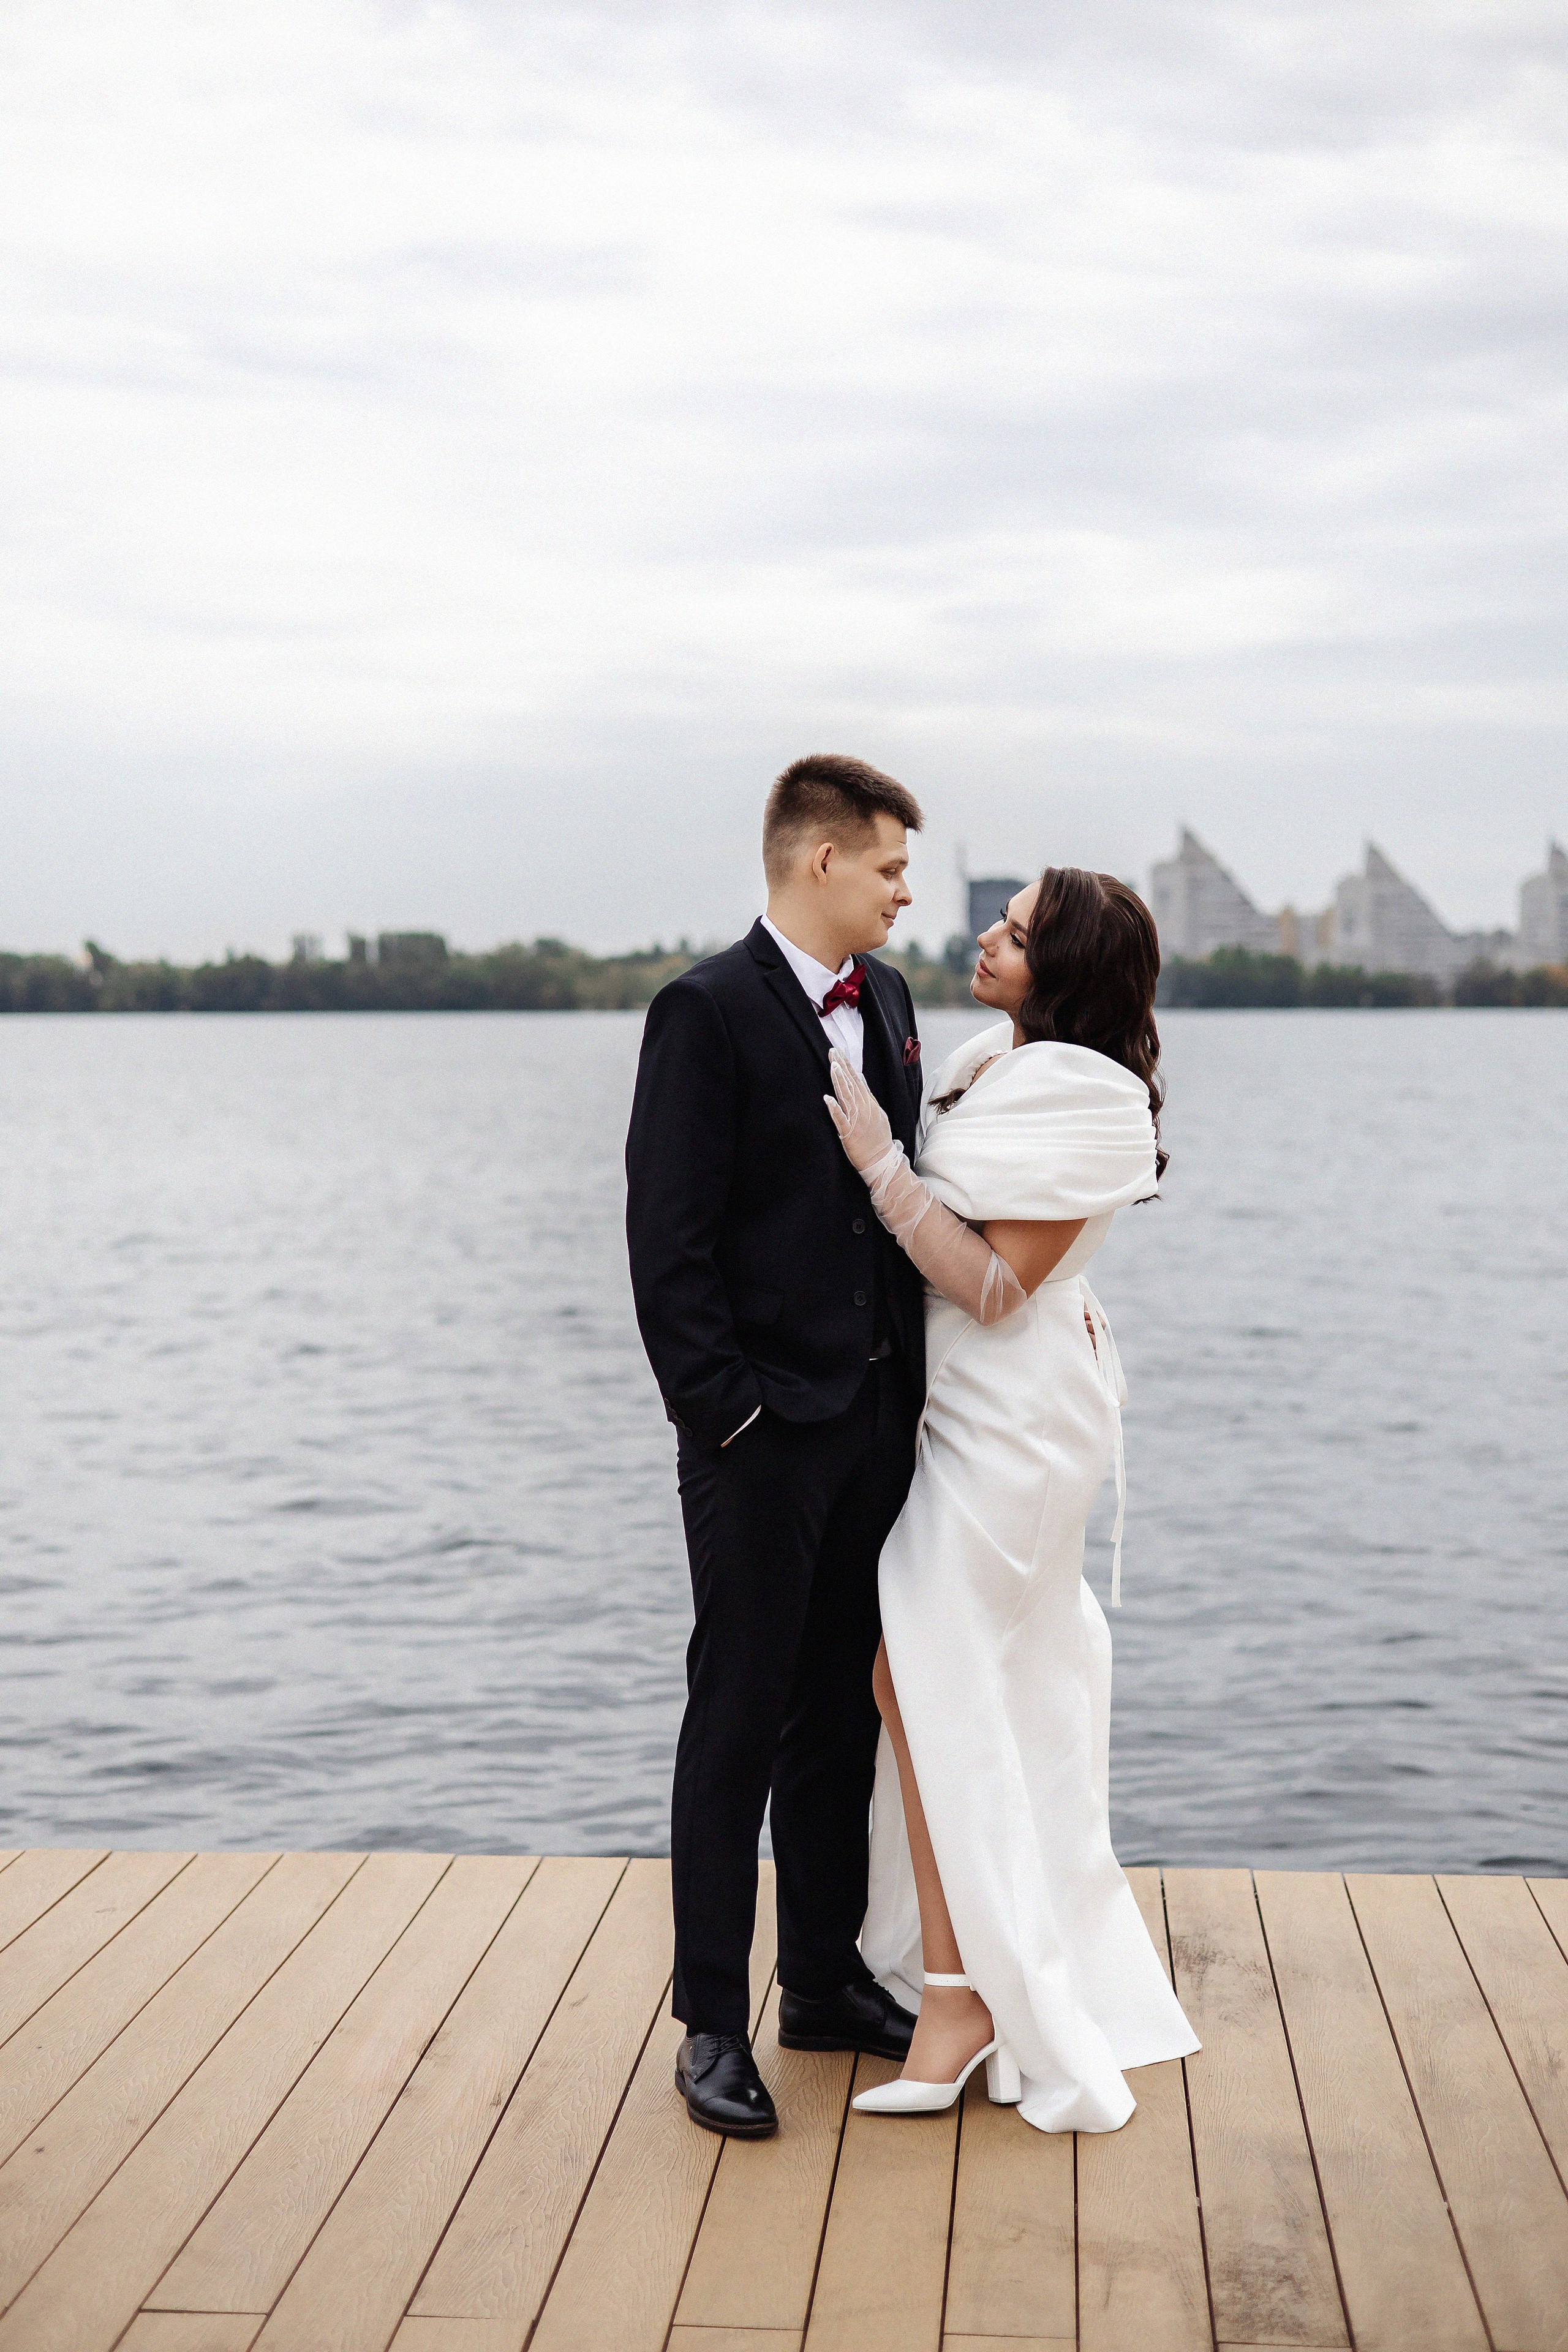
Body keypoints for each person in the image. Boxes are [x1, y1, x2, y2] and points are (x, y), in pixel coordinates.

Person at [825, 867, 1200, 2131]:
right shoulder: (998, 1057)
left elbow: (993, 1286)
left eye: (1018, 930)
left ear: (1070, 966)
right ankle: (966, 1979)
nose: (984, 935)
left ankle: (961, 2000)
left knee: (921, 1674)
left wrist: (880, 1165)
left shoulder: (1094, 1105)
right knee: (938, 1679)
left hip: (1018, 1425)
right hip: (962, 1410)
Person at [625, 753, 929, 2138]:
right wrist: (729, 1417)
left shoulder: (897, 1003)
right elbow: (666, 1245)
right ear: (819, 862)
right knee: (734, 1718)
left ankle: (816, 1980)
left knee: (836, 1718)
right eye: (886, 867)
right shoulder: (702, 1012)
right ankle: (707, 2025)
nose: (903, 893)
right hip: (757, 1441)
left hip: (872, 1429)